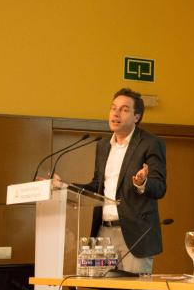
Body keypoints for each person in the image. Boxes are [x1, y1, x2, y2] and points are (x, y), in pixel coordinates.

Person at [59, 88, 167, 274]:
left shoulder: (150, 143)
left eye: (124, 109)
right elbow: (97, 186)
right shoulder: (103, 146)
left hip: (135, 235)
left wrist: (141, 182)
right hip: (104, 233)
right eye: (113, 108)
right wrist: (64, 186)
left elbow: (159, 187)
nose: (116, 114)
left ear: (137, 116)